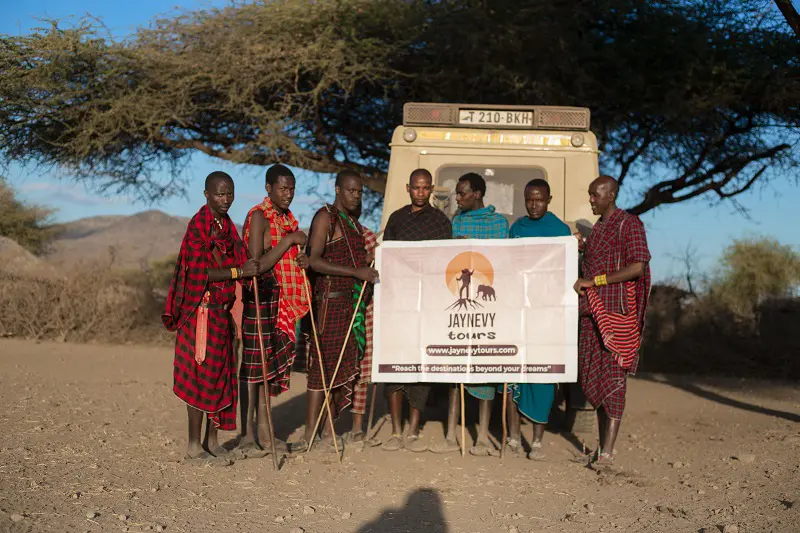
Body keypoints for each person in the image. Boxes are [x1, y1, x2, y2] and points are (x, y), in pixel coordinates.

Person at [162, 171, 258, 464]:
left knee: (219, 378)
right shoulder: (199, 225)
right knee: (200, 378)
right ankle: (193, 447)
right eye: (219, 194)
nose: (225, 199)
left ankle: (212, 442)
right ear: (206, 195)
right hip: (199, 314)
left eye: (229, 193)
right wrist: (238, 273)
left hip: (221, 313)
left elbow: (243, 258)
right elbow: (198, 273)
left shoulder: (227, 225)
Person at [573, 175, 651, 467]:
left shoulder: (629, 224)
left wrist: (596, 281)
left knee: (615, 377)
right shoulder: (599, 229)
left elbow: (637, 266)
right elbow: (596, 260)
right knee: (595, 377)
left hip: (617, 313)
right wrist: (582, 248)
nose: (591, 199)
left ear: (612, 195)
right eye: (591, 194)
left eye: (596, 195)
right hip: (592, 312)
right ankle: (599, 446)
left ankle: (607, 452)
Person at [299, 170, 379, 451]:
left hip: (351, 307)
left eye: (359, 192)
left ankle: (326, 430)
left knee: (341, 373)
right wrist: (356, 271)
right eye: (351, 190)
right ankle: (309, 434)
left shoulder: (355, 226)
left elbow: (356, 261)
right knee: (321, 369)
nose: (356, 196)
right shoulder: (326, 217)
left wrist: (367, 262)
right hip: (329, 303)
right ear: (337, 189)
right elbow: (314, 261)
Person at [431, 172, 509, 456]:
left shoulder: (499, 224)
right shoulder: (458, 221)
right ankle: (450, 434)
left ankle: (484, 436)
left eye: (462, 193)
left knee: (486, 370)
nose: (458, 198)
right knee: (456, 369)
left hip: (488, 306)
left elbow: (504, 261)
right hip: (459, 302)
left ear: (477, 193)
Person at [236, 164, 310, 458]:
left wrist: (299, 258)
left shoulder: (287, 218)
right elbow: (256, 264)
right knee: (252, 369)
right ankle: (246, 435)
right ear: (269, 188)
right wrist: (289, 242)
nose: (288, 194)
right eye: (282, 188)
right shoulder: (259, 216)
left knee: (269, 369)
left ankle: (266, 432)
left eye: (291, 188)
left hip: (280, 301)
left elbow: (285, 260)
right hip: (259, 298)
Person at [382, 168, 452, 453]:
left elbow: (446, 262)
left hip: (428, 304)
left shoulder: (440, 222)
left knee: (421, 367)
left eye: (425, 188)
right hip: (398, 303)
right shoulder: (397, 219)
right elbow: (386, 256)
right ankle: (395, 430)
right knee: (393, 365)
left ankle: (413, 428)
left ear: (431, 189)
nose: (421, 193)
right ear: (407, 187)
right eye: (416, 188)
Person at [501, 178, 572, 460]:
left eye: (539, 199)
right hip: (518, 313)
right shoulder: (516, 228)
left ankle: (538, 442)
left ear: (549, 199)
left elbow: (564, 273)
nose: (533, 205)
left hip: (547, 316)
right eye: (529, 199)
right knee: (512, 377)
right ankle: (515, 439)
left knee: (543, 378)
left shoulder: (560, 230)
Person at [346, 205, 379, 446]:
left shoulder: (368, 237)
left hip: (364, 307)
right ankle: (328, 425)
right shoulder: (329, 233)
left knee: (362, 368)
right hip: (337, 306)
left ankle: (357, 427)